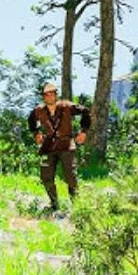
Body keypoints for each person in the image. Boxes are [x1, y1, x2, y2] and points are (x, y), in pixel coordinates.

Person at [26, 82, 90, 210]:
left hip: (66, 144)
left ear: (55, 95)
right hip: (49, 146)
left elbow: (85, 111)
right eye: (46, 94)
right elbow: (31, 120)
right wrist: (37, 133)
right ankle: (54, 204)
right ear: (43, 96)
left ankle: (76, 204)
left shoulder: (67, 106)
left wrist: (83, 132)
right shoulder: (39, 110)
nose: (49, 96)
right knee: (46, 176)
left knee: (70, 176)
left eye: (52, 94)